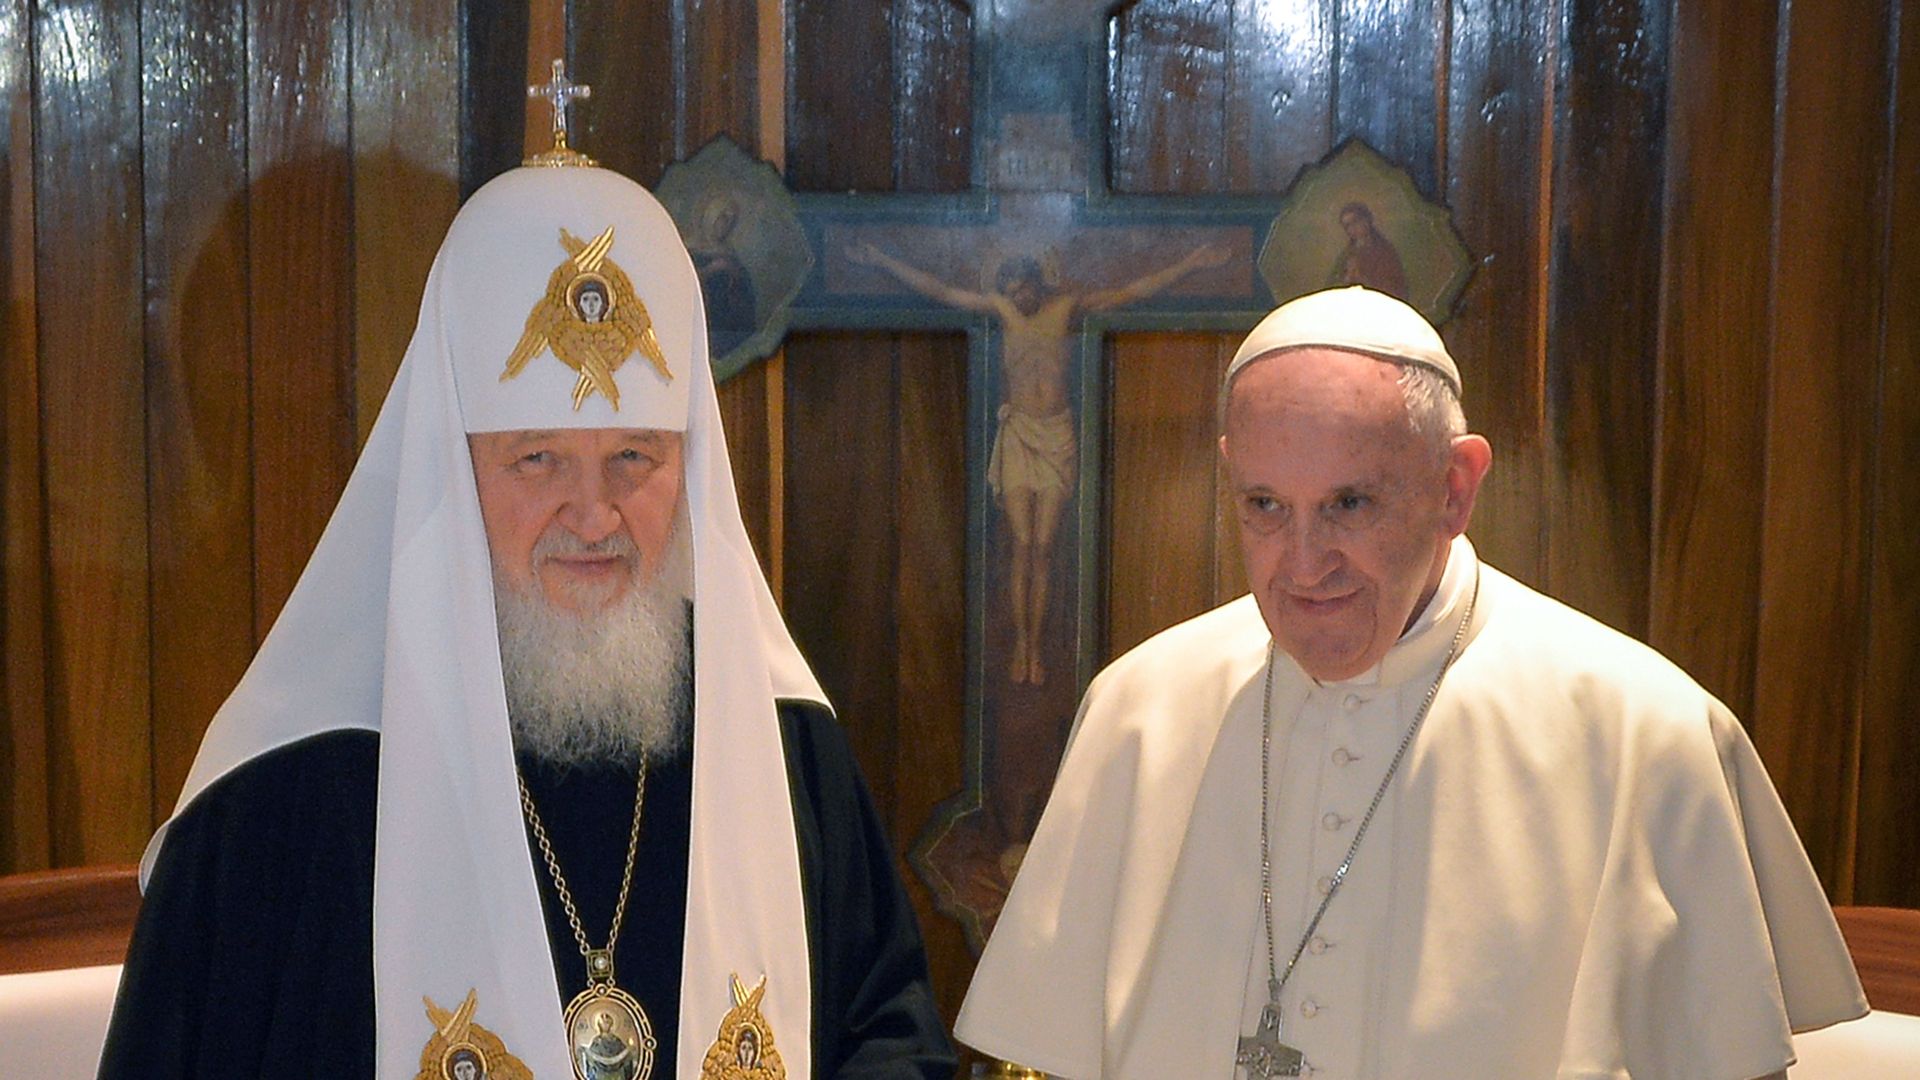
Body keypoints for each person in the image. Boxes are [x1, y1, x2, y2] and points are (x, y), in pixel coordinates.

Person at [98, 149, 954, 1078]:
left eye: (635, 456)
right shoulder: (286, 795)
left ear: (692, 466)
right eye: (537, 459)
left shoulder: (777, 743)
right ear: (452, 469)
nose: (594, 516)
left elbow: (890, 1035)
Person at [955, 286, 1866, 1079]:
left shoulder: (1644, 731)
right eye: (1265, 507)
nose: (1303, 564)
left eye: (1349, 504)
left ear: (1456, 487)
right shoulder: (1141, 708)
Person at [846, 241, 1229, 685]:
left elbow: (1132, 291)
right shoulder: (1002, 310)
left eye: (1022, 290)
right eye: (1010, 292)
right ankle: (1022, 646)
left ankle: (1038, 646)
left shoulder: (1066, 308)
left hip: (1055, 435)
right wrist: (882, 259)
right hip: (1018, 434)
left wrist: (1189, 262)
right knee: (1021, 544)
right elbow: (941, 291)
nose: (1018, 299)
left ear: (1036, 283)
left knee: (1044, 547)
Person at [1331, 202, 1407, 301]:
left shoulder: (1385, 251)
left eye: (1355, 221)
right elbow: (1332, 285)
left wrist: (1364, 280)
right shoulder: (1346, 255)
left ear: (1367, 220)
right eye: (1347, 226)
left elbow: (1395, 288)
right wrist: (1347, 279)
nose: (1352, 228)